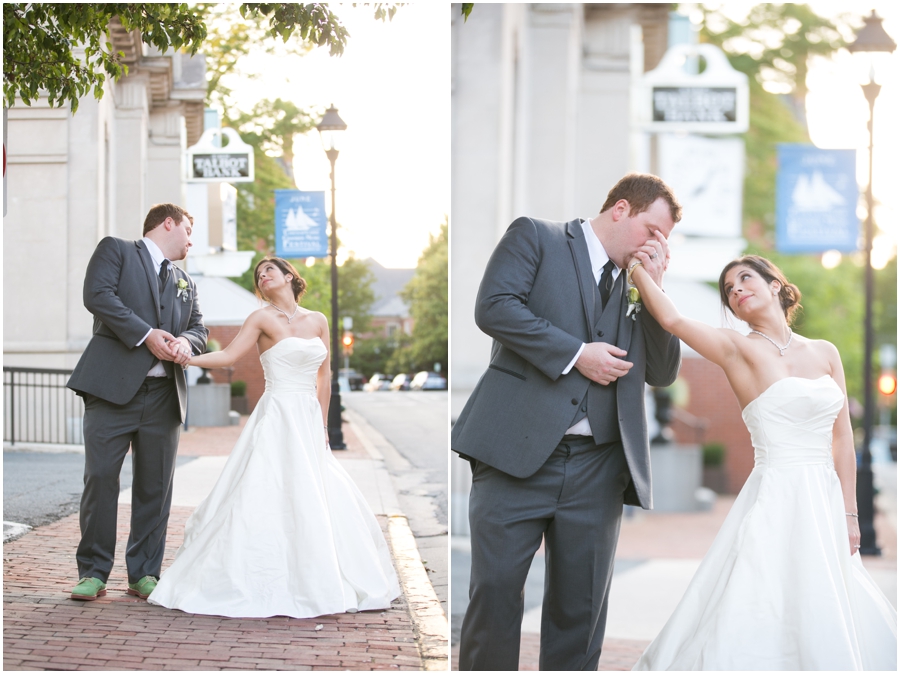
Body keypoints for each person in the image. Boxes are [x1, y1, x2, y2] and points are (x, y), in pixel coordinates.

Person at [453, 173, 683, 670]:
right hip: (514, 454)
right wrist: (576, 353)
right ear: (620, 209)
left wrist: (655, 289)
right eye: (651, 231)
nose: (654, 247)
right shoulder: (536, 236)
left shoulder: (640, 285)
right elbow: (493, 307)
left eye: (664, 241)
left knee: (579, 614)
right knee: (493, 595)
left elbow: (663, 373)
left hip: (598, 468)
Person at [626, 253, 897, 670]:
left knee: (823, 596)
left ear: (775, 285)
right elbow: (674, 322)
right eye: (729, 290)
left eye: (745, 278)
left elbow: (842, 439)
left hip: (823, 500)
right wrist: (638, 269)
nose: (736, 290)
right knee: (763, 597)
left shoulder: (826, 352)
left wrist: (850, 514)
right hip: (775, 495)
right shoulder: (736, 348)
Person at [147, 257, 400, 618]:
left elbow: (324, 377)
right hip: (277, 413)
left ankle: (320, 574)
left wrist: (324, 425)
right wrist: (186, 358)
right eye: (258, 274)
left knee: (312, 491)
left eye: (269, 270)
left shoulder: (318, 320)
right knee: (267, 490)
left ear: (289, 277)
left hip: (307, 417)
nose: (262, 276)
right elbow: (230, 355)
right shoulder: (260, 318)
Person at [67, 203, 208, 601]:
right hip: (111, 391)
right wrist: (147, 334)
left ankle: (144, 573)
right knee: (99, 480)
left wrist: (185, 341)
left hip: (164, 397)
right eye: (188, 231)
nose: (191, 241)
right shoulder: (116, 249)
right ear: (168, 223)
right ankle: (93, 572)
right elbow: (97, 295)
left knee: (155, 488)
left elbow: (200, 327)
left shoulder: (185, 281)